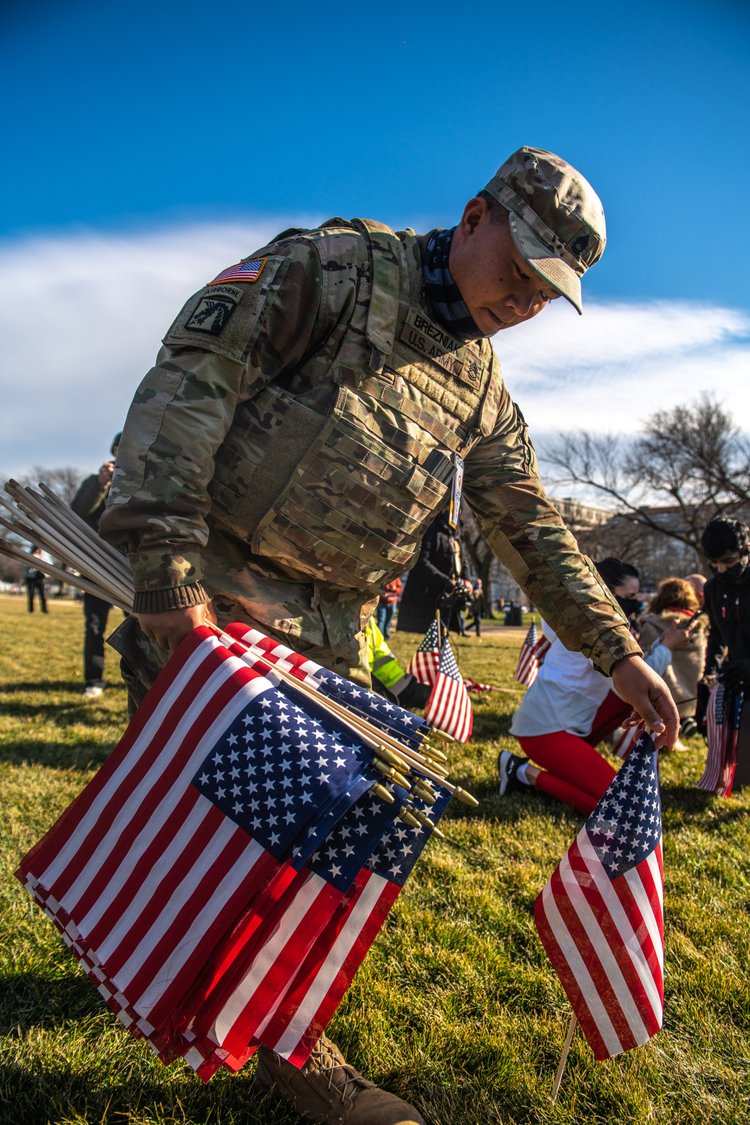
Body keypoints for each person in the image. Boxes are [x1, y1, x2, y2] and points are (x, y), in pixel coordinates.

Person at [100, 146, 678, 1125]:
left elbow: (530, 526)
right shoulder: (333, 270)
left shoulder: (484, 393)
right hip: (206, 615)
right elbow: (196, 378)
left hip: (325, 645)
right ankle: (199, 996)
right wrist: (164, 558)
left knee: (304, 852)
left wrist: (617, 648)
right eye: (521, 268)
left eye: (549, 290)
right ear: (474, 215)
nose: (526, 299)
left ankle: (278, 1035)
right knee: (202, 837)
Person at [500, 559, 690, 816]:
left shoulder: (590, 621)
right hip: (545, 730)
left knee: (621, 805)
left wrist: (661, 645)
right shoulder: (588, 628)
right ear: (606, 593)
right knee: (624, 810)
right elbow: (633, 680)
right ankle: (523, 773)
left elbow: (636, 667)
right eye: (629, 597)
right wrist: (666, 648)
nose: (635, 605)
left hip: (572, 724)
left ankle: (534, 772)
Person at [699, 516, 750, 789]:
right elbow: (717, 634)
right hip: (736, 672)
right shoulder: (713, 588)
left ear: (746, 550)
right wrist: (710, 670)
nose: (721, 569)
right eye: (714, 564)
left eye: (728, 562)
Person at [71, 434, 122, 698]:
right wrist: (101, 485)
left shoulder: (144, 480)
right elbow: (77, 513)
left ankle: (140, 677)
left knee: (139, 627)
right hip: (96, 565)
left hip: (128, 566)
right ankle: (94, 678)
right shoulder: (95, 482)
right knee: (94, 626)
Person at [638, 576, 707, 740]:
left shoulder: (651, 625)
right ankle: (686, 724)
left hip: (660, 700)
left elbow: (642, 665)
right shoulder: (699, 629)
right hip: (691, 700)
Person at [396, 510, 471, 636]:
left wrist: (466, 579)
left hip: (451, 591)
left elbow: (462, 559)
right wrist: (446, 581)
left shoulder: (455, 533)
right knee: (433, 634)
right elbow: (422, 563)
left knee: (445, 633)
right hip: (431, 593)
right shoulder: (432, 530)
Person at [366, 617, 431, 710]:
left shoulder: (362, 619)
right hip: (389, 680)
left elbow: (372, 658)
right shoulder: (366, 617)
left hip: (387, 683)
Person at [23, 547, 48, 613]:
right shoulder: (29, 556)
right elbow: (24, 566)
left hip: (40, 578)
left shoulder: (43, 557)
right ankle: (31, 610)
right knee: (31, 594)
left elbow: (48, 567)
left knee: (43, 595)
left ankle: (44, 610)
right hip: (31, 578)